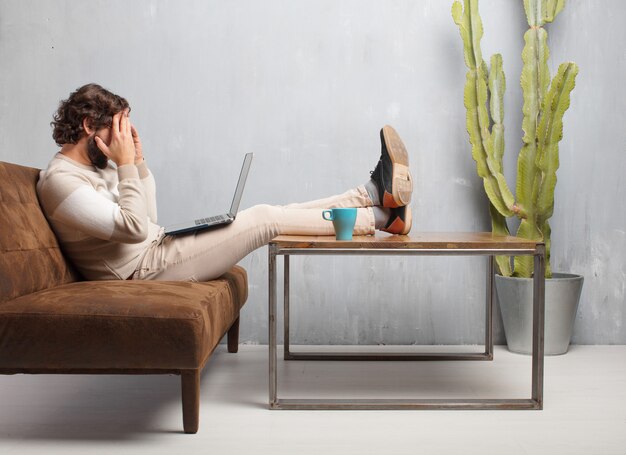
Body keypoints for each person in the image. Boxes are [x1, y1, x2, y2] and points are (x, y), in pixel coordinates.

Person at [37, 83, 413, 282]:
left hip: (160, 247)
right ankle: (382, 219)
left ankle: (367, 196)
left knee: (280, 212)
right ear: (89, 126)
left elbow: (149, 219)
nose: (122, 137)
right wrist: (125, 165)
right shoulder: (60, 183)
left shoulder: (100, 165)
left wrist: (137, 162)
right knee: (266, 218)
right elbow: (135, 230)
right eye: (117, 128)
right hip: (141, 272)